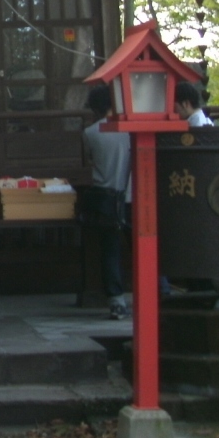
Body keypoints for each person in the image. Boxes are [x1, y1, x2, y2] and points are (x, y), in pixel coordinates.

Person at [82, 85, 132, 320]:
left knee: (110, 250)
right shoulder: (130, 130)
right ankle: (156, 294)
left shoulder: (90, 132)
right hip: (131, 195)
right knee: (140, 247)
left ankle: (116, 301)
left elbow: (90, 160)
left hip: (104, 196)